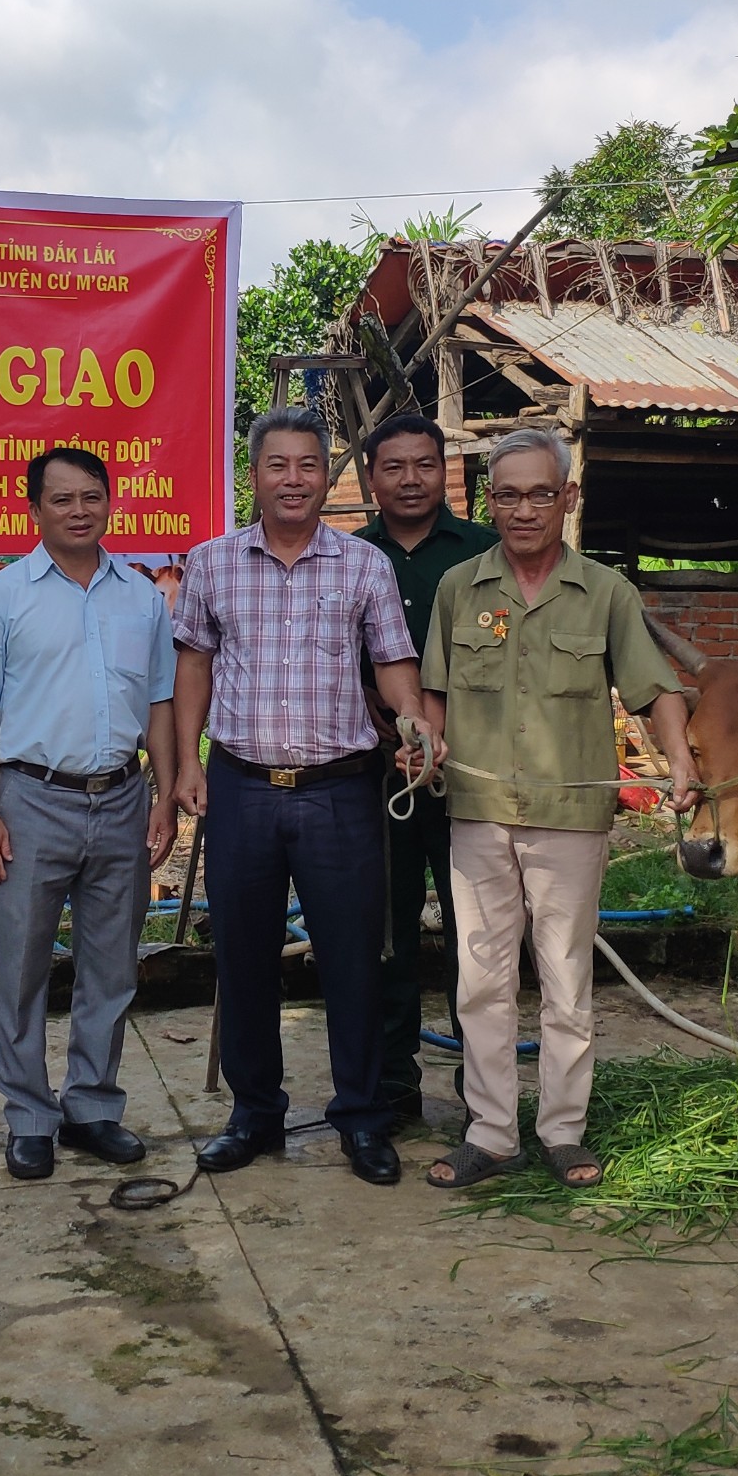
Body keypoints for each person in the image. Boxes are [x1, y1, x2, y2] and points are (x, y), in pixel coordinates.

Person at [415, 430, 697, 1190]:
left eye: (541, 493)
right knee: (480, 980)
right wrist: (424, 742)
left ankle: (563, 1131)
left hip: (570, 820)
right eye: (507, 494)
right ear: (489, 503)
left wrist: (683, 765)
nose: (524, 509)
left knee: (566, 979)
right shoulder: (459, 589)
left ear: (568, 499)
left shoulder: (606, 594)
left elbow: (656, 691)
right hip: (477, 812)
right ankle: (491, 1132)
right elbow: (433, 698)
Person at [171, 409, 428, 1187]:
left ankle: (361, 1117)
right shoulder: (212, 563)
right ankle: (255, 1115)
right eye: (277, 465)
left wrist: (414, 719)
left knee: (353, 962)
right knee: (242, 958)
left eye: (308, 465)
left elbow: (392, 662)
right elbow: (192, 670)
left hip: (339, 794)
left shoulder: (361, 566)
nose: (293, 479)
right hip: (243, 788)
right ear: (254, 476)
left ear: (327, 475)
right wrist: (186, 761)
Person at [0, 447, 179, 1181]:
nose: (79, 511)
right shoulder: (1, 598)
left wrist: (166, 790)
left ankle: (92, 1108)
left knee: (111, 967)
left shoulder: (142, 598)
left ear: (110, 502)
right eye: (61, 500)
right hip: (31, 799)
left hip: (122, 796)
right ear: (34, 509)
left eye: (91, 497)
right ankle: (28, 1117)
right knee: (19, 968)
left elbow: (162, 703)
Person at [355, 411, 497, 1127]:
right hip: (379, 783)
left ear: (445, 470)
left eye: (424, 464)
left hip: (474, 780)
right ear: (370, 478)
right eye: (394, 467)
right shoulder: (348, 558)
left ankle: (487, 1093)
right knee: (387, 935)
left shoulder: (488, 554)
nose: (411, 480)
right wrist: (384, 730)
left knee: (481, 938)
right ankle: (393, 1090)